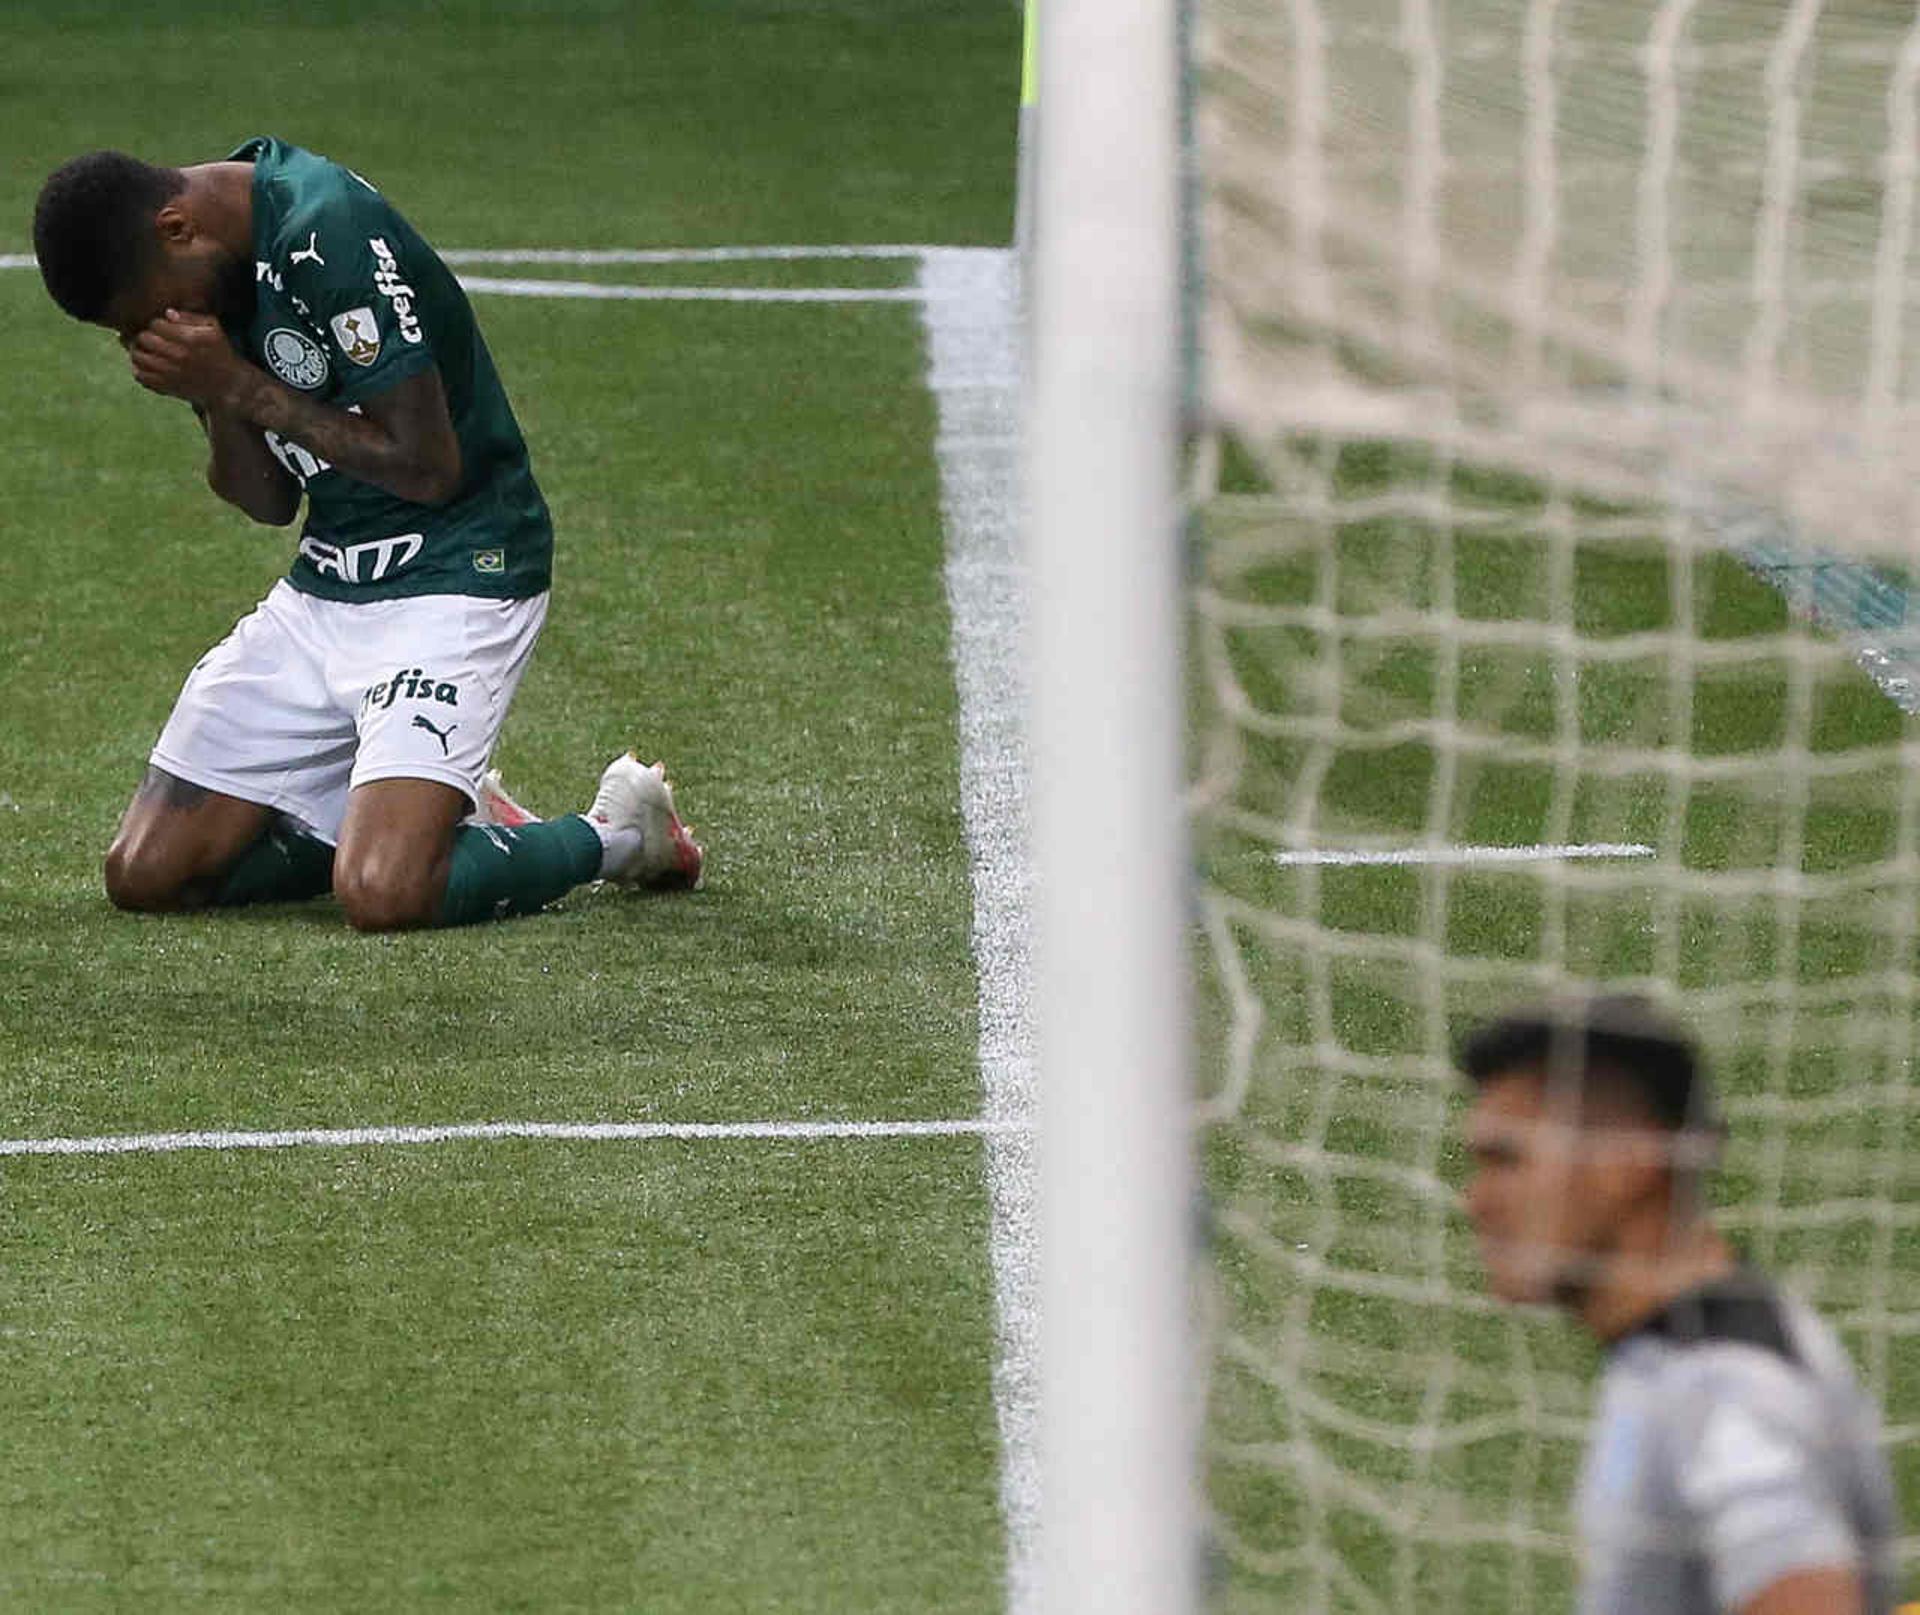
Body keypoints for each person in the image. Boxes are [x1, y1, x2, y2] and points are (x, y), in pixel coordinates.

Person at [30, 140, 702, 930]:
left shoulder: (326, 232)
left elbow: (427, 468)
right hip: (328, 584)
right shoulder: (198, 280)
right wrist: (217, 395)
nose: (157, 330)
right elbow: (269, 500)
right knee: (145, 873)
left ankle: (617, 834)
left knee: (384, 892)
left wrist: (240, 383)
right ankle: (411, 799)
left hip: (462, 565)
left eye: (148, 312)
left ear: (177, 227)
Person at [1459, 993, 1899, 1615]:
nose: (1475, 1201)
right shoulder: (1674, 1353)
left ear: (1631, 1158)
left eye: (1507, 1160)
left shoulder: (1724, 1392)